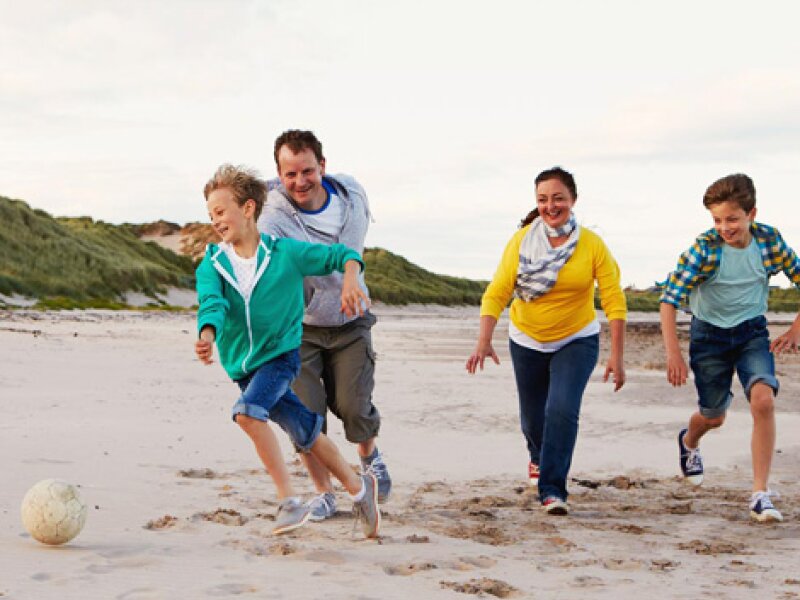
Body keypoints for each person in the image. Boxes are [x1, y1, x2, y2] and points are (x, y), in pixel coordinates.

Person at [194, 164, 380, 537]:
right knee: (306, 432)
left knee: (248, 414)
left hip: (280, 357)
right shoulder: (212, 264)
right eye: (210, 214)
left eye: (220, 211)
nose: (214, 221)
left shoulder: (285, 253)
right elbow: (212, 303)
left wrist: (349, 280)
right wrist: (208, 333)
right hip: (242, 367)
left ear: (247, 209)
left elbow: (343, 255)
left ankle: (289, 501)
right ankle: (361, 490)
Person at [466, 167, 627, 515]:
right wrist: (484, 339)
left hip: (576, 339)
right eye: (543, 199)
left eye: (558, 198)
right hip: (526, 339)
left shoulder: (592, 244)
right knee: (532, 419)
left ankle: (553, 490)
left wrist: (617, 354)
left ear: (573, 200)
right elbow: (498, 292)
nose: (550, 206)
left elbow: (613, 299)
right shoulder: (522, 240)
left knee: (562, 410)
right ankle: (538, 458)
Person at [257, 130, 390, 522]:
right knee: (306, 414)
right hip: (299, 329)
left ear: (323, 167)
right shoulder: (273, 214)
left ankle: (370, 460)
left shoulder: (351, 196)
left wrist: (351, 277)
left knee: (353, 406)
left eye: (308, 171)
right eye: (290, 173)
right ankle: (323, 492)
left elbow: (350, 246)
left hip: (350, 319)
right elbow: (270, 257)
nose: (300, 182)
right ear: (279, 173)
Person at [659, 173, 800, 523]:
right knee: (713, 416)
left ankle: (759, 493)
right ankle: (690, 442)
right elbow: (668, 301)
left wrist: (796, 329)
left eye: (732, 219)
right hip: (709, 337)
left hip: (752, 332)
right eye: (717, 220)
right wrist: (674, 354)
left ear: (751, 214)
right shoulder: (704, 250)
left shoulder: (769, 242)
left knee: (763, 400)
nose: (724, 227)